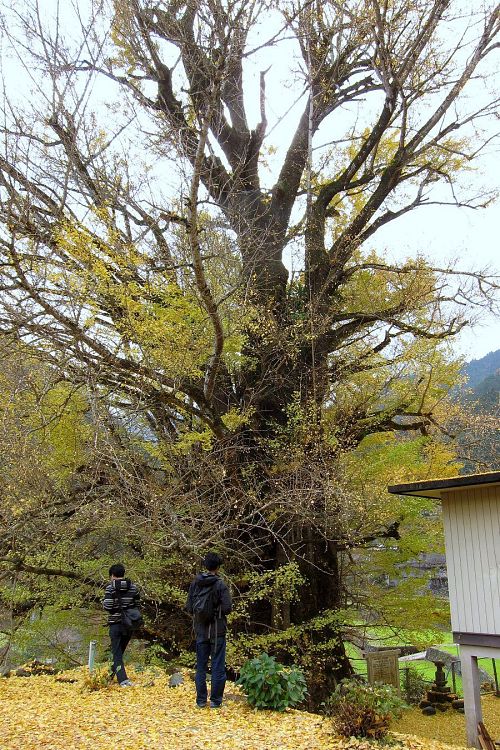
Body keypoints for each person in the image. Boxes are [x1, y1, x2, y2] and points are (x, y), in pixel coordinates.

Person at [186, 552, 232, 708]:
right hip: (217, 630)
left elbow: (189, 607)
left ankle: (200, 700)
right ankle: (215, 701)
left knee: (201, 665)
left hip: (200, 630)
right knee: (218, 665)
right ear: (218, 567)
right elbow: (227, 608)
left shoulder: (195, 583)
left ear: (205, 565)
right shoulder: (220, 585)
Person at [103, 563, 140, 687]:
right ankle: (110, 675)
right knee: (120, 651)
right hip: (129, 624)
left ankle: (123, 680)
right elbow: (137, 604)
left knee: (117, 652)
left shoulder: (110, 588)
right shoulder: (133, 588)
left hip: (116, 623)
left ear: (112, 575)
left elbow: (107, 606)